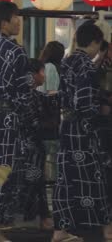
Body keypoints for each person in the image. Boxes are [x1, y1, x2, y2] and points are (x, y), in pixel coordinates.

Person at [52, 22, 107, 242]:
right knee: (91, 177)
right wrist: (97, 112)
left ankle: (61, 229)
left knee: (65, 179)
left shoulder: (67, 61)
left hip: (66, 126)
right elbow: (84, 102)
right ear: (94, 42)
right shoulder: (86, 66)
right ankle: (98, 227)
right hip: (82, 130)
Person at [0, 1, 33, 240]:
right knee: (2, 172)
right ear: (4, 22)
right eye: (15, 17)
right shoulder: (15, 51)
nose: (19, 22)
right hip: (6, 120)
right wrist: (27, 120)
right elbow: (25, 93)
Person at [20, 59, 54, 229]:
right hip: (31, 148)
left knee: (38, 181)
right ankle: (37, 217)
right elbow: (33, 123)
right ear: (33, 75)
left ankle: (43, 217)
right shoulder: (29, 96)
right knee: (34, 182)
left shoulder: (30, 94)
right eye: (42, 71)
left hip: (32, 147)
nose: (44, 75)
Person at [37, 41, 65, 189]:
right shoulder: (52, 68)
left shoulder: (43, 67)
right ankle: (52, 180)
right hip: (50, 117)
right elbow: (51, 93)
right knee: (51, 153)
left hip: (42, 116)